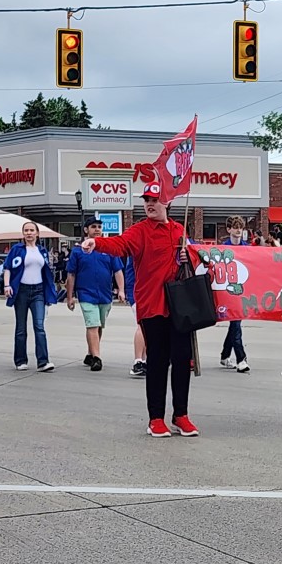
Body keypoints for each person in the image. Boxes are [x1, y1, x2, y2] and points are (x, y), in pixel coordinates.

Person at [81, 182, 197, 437]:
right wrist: (97, 243)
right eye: (146, 200)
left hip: (179, 307)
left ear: (166, 202)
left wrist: (191, 256)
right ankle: (156, 418)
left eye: (155, 199)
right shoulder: (140, 231)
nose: (150, 204)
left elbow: (195, 259)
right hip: (152, 305)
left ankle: (181, 414)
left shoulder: (179, 230)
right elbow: (120, 245)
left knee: (181, 360)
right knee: (157, 361)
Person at [66, 216, 125, 372]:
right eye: (93, 226)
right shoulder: (78, 251)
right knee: (93, 324)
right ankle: (97, 358)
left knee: (98, 326)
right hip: (86, 294)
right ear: (86, 230)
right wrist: (70, 296)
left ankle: (90, 353)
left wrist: (121, 290)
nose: (97, 229)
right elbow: (71, 275)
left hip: (105, 294)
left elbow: (118, 271)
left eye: (99, 226)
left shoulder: (108, 249)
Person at [4, 222, 57, 372]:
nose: (29, 233)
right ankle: (20, 360)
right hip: (21, 291)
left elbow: (46, 272)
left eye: (31, 230)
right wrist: (7, 285)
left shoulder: (42, 251)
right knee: (21, 327)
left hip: (38, 291)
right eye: (26, 230)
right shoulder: (17, 249)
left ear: (37, 233)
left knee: (39, 326)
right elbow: (8, 267)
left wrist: (50, 292)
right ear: (23, 234)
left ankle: (43, 361)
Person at [219, 215, 251, 373]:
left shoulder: (247, 248)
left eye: (241, 227)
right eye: (235, 227)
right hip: (228, 292)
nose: (238, 230)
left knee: (235, 324)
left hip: (242, 292)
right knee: (236, 324)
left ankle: (225, 355)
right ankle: (241, 359)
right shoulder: (223, 249)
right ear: (229, 229)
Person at [124, 255, 147, 378]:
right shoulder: (137, 247)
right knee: (142, 324)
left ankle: (142, 360)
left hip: (141, 290)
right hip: (138, 291)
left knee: (147, 326)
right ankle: (138, 360)